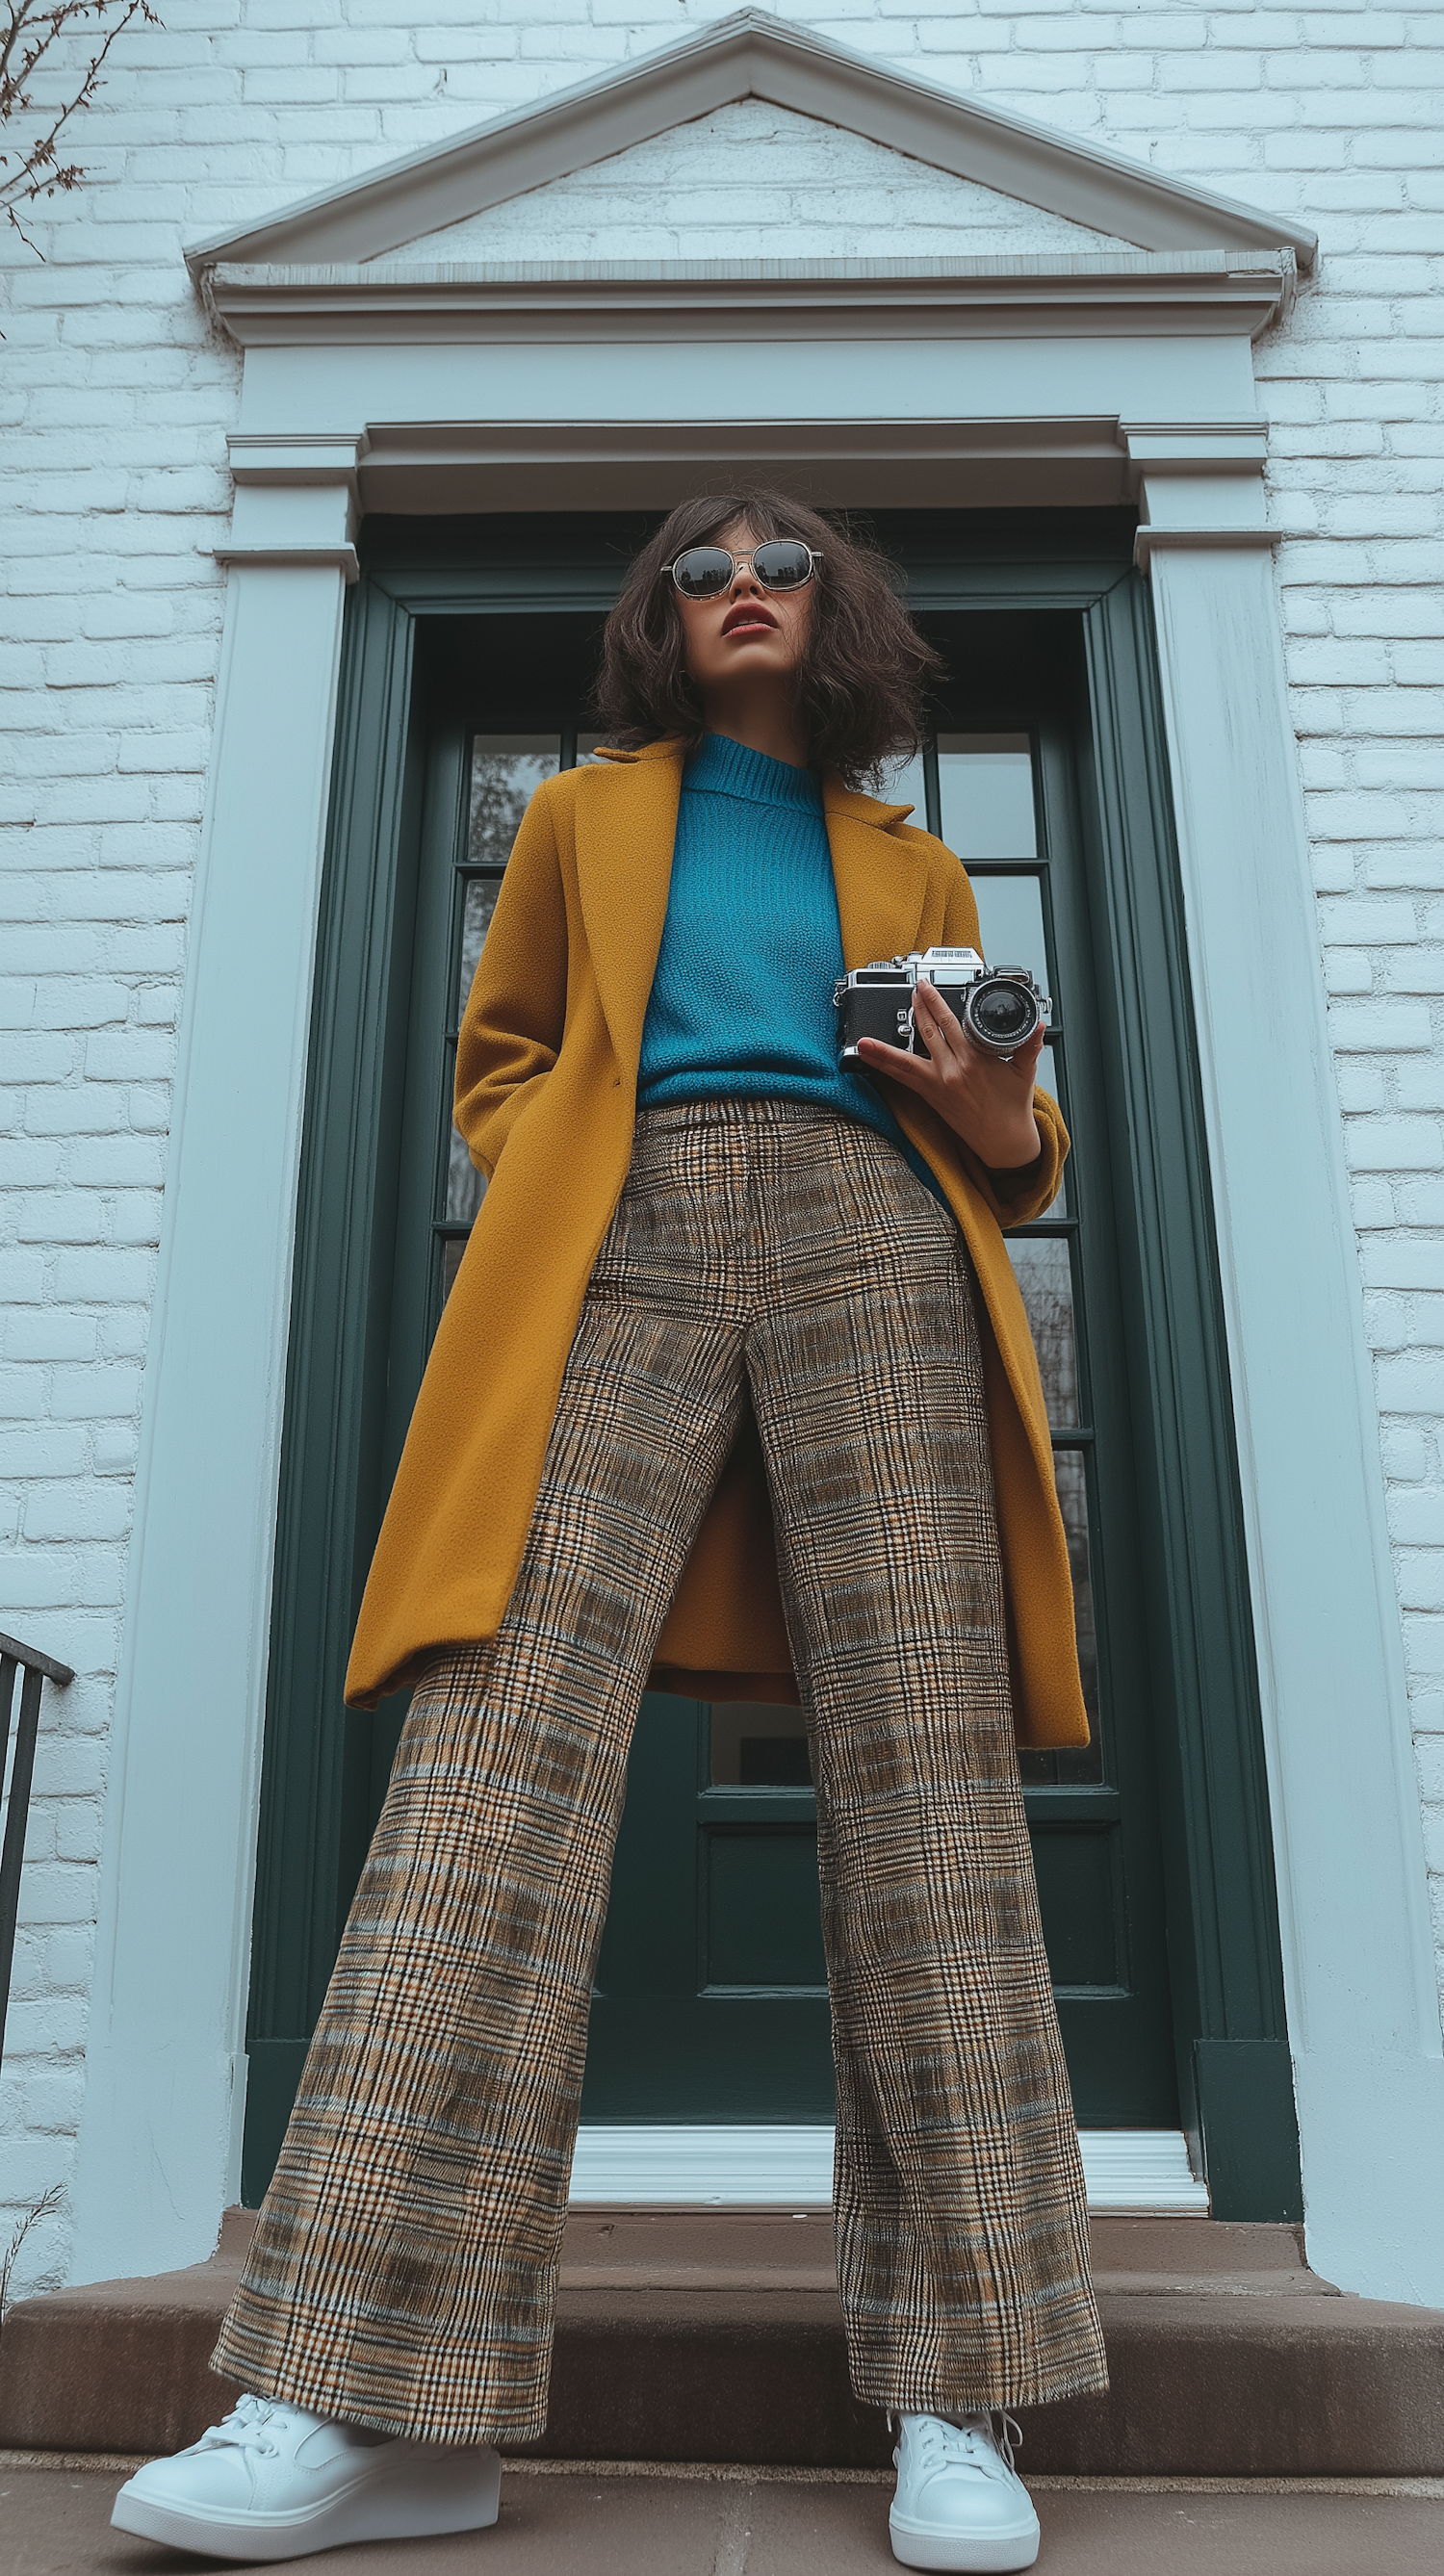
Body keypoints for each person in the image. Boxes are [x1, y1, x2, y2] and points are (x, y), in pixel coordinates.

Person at [113, 493, 1108, 2573]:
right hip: (623, 1240)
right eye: (699, 565)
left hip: (877, 1239)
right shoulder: (578, 820)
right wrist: (568, 1158)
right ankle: (364, 2401)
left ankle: (965, 2388)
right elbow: (500, 1066)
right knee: (492, 1763)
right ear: (660, 618)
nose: (740, 582)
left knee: (929, 1787)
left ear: (840, 614)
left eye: (783, 562)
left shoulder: (915, 857)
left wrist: (999, 1118)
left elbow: (1019, 1144)